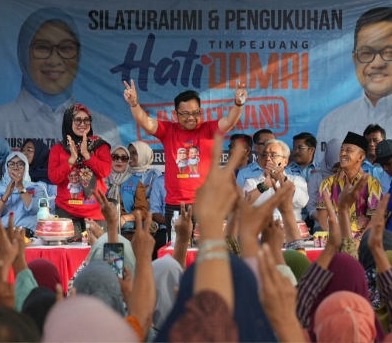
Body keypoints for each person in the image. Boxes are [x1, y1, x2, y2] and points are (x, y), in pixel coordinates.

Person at [123, 80, 247, 236]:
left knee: (205, 253)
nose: (191, 118)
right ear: (176, 114)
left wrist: (238, 103)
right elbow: (146, 122)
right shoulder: (168, 131)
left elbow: (230, 121)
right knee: (177, 252)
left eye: (196, 113)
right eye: (186, 113)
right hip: (175, 206)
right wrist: (134, 104)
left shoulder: (208, 129)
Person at [0, 7, 121, 147]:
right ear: (23, 53)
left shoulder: (104, 128)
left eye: (66, 48)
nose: (54, 60)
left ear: (78, 56)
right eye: (42, 48)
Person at [316, 7, 392, 164]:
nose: (377, 63)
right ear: (354, 58)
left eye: (389, 53)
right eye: (366, 53)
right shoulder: (332, 121)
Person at [48, 103, 112, 235]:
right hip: (66, 211)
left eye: (86, 120)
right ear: (68, 122)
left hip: (96, 211)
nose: (82, 124)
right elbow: (54, 177)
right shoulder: (58, 149)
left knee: (99, 252)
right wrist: (71, 160)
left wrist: (87, 155)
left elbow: (105, 171)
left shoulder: (99, 146)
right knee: (70, 252)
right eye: (77, 120)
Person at [315, 132, 383, 235]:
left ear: (361, 157)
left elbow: (375, 219)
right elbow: (323, 217)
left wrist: (360, 241)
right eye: (341, 150)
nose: (342, 154)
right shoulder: (327, 183)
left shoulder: (373, 184)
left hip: (361, 242)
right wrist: (335, 238)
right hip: (335, 239)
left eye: (348, 150)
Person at [242, 139, 309, 222]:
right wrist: (264, 186)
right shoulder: (251, 182)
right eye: (264, 155)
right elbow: (243, 205)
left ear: (285, 161)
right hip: (261, 232)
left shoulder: (296, 180)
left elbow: (302, 201)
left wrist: (281, 178)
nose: (268, 159)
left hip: (290, 231)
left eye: (273, 155)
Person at [0, 152, 47, 231]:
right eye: (11, 164)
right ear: (6, 167)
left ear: (26, 168)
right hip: (4, 233)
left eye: (20, 164)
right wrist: (6, 195)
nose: (15, 168)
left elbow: (36, 210)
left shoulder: (36, 187)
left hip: (29, 233)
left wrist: (20, 187)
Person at [106, 145, 149, 231]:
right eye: (115, 157)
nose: (119, 161)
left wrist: (125, 218)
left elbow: (143, 211)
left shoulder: (136, 183)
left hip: (125, 227)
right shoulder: (101, 180)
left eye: (124, 158)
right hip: (102, 223)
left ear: (128, 161)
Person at [306, 138, 341, 231]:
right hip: (322, 227)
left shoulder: (351, 178)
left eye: (341, 165)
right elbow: (311, 207)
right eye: (335, 166)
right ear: (328, 161)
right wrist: (326, 221)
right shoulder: (318, 178)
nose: (339, 169)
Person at [21, 138, 57, 208]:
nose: (24, 153)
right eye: (23, 150)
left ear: (40, 153)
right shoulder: (17, 173)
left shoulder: (50, 176)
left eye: (29, 150)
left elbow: (54, 202)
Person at [362, 124, 392, 188]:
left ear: (384, 142)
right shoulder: (355, 166)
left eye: (375, 140)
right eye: (368, 141)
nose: (371, 144)